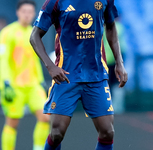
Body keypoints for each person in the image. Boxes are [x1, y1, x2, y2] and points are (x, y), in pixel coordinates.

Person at [30, 0, 128, 149]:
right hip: (66, 76)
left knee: (107, 132)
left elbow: (111, 26)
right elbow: (34, 36)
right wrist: (50, 67)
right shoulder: (55, 2)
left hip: (96, 75)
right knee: (57, 133)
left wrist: (119, 63)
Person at [0, 1, 49, 150]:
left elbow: (35, 60)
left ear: (34, 14)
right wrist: (6, 82)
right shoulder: (7, 32)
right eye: (24, 11)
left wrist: (40, 81)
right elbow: (3, 59)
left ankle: (38, 148)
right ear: (17, 12)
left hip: (33, 85)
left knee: (45, 117)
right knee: (12, 122)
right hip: (13, 85)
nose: (27, 14)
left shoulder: (34, 33)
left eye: (30, 11)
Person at [103, 12, 128, 114]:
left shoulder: (103, 26)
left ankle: (106, 106)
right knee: (117, 82)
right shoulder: (119, 26)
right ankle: (118, 107)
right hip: (116, 59)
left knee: (106, 83)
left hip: (105, 59)